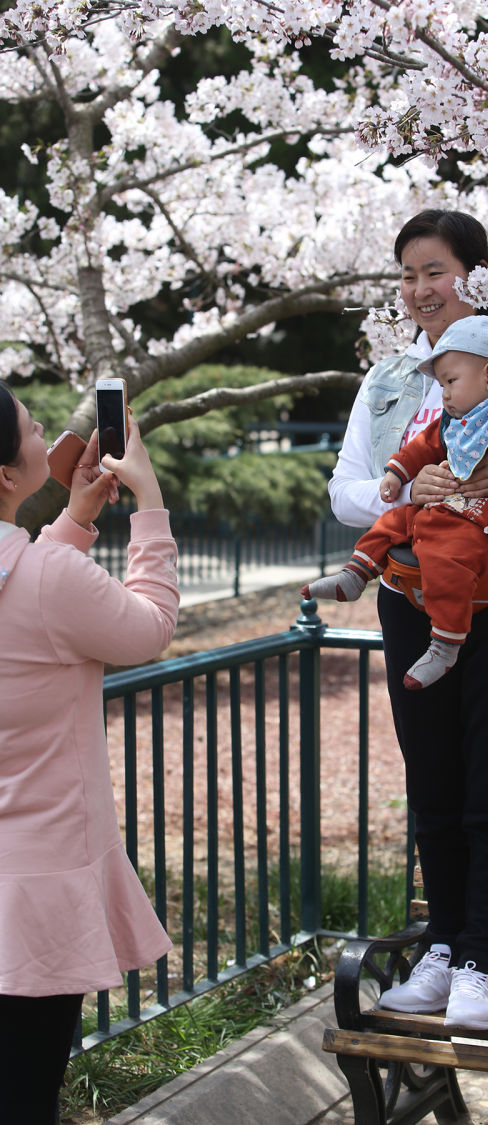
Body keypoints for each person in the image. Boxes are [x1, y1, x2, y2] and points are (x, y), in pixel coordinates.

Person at [327, 209, 488, 1031]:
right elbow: (348, 491)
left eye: (435, 270)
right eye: (407, 275)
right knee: (434, 780)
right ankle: (442, 946)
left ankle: (480, 960)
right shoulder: (389, 379)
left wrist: (487, 469)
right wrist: (411, 490)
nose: (419, 289)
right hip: (411, 600)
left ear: (474, 273)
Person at [0, 383, 180, 1124]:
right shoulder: (48, 579)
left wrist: (73, 523)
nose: (46, 429)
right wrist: (150, 500)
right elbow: (149, 627)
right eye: (31, 426)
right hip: (38, 893)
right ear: (6, 475)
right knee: (24, 1094)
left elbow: (32, 602)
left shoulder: (42, 573)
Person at [303, 316, 488, 689]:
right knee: (391, 523)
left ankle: (445, 643)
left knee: (448, 563)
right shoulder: (455, 418)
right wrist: (396, 474)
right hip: (440, 509)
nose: (443, 393)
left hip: (479, 520)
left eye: (450, 382)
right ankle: (356, 574)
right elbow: (424, 446)